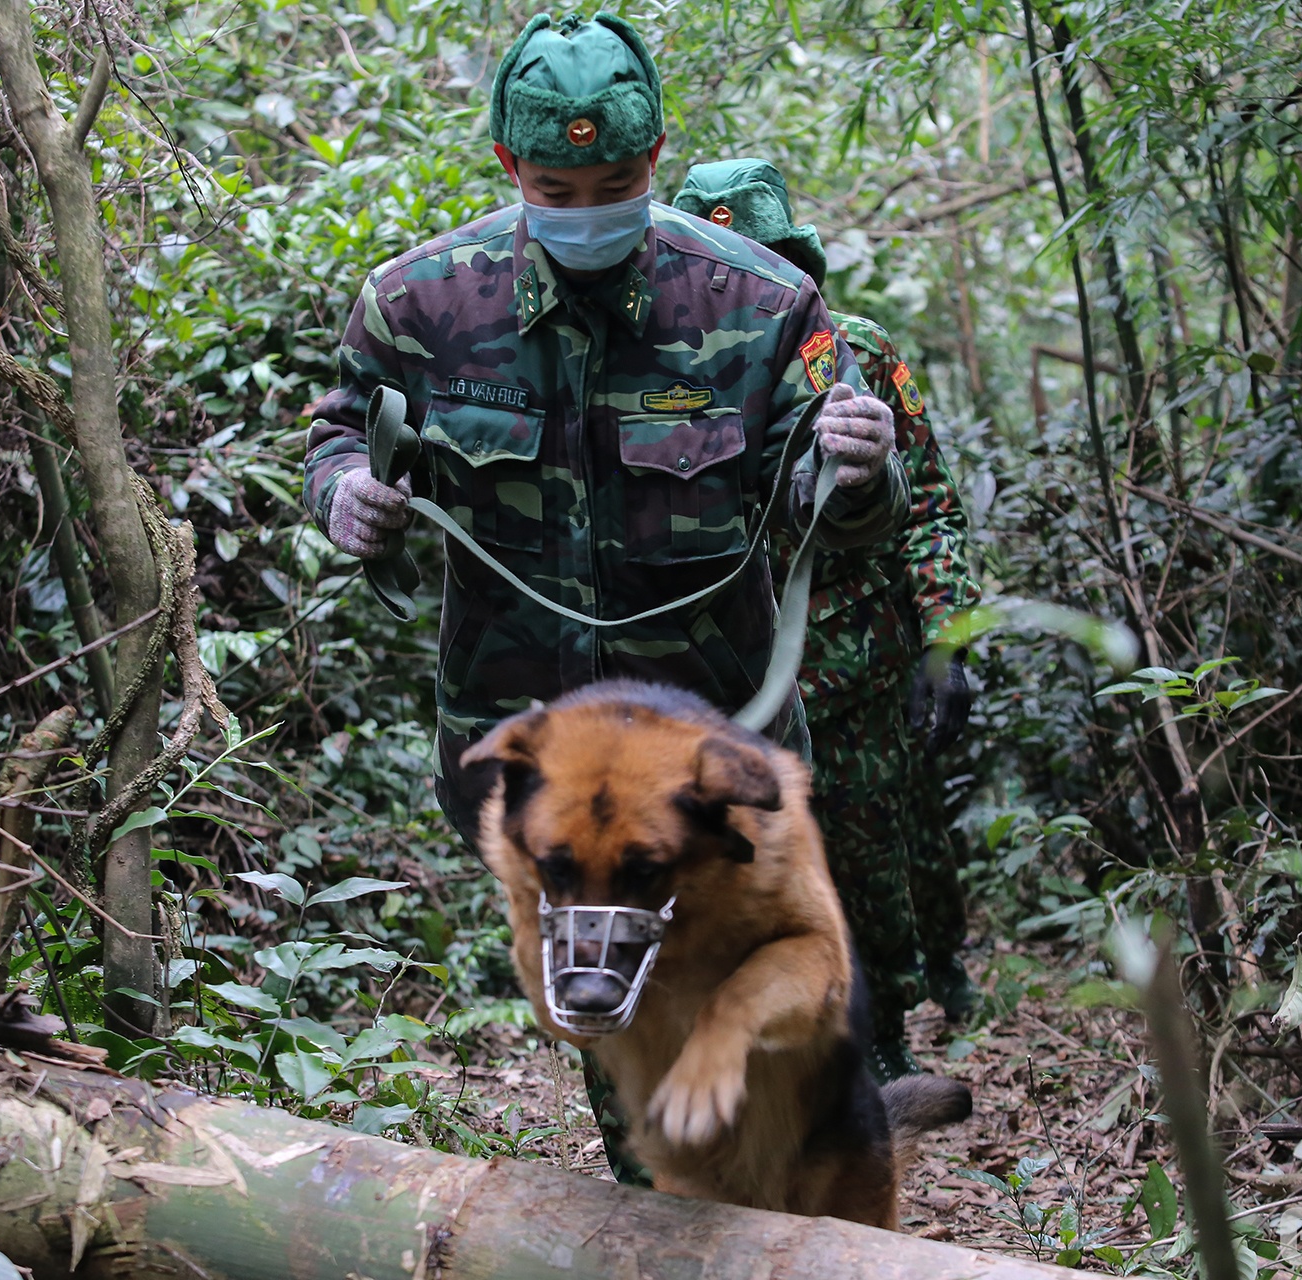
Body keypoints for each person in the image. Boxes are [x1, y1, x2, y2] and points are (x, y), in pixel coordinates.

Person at [304, 14, 906, 1177]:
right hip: (529, 740)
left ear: (660, 156)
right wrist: (344, 496)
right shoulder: (421, 306)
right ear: (508, 170)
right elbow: (341, 428)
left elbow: (837, 506)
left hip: (713, 746)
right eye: (558, 184)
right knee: (608, 996)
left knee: (769, 975)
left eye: (617, 180)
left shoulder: (765, 304)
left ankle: (814, 1198)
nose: (589, 204)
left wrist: (862, 464)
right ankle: (666, 1209)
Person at [672, 160, 983, 1083]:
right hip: (720, 674)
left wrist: (947, 644)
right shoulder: (660, 369)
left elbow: (928, 505)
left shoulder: (854, 354)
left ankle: (879, 1035)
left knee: (866, 862)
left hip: (851, 668)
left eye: (763, 264)